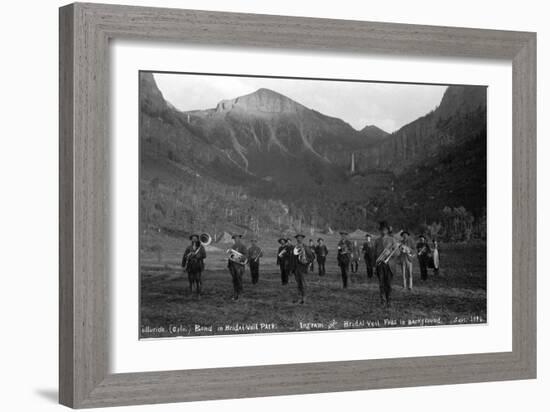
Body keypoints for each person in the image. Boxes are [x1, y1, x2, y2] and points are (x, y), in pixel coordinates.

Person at [374, 221, 397, 306]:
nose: (383, 231)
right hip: (380, 265)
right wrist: (374, 265)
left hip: (389, 265)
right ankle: (383, 301)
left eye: (384, 229)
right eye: (381, 230)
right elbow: (374, 254)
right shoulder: (377, 241)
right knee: (381, 284)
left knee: (389, 284)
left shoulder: (392, 240)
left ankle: (389, 300)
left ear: (387, 230)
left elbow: (397, 252)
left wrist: (390, 253)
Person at [289, 234, 315, 304]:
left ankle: (304, 298)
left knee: (303, 283)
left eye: (300, 238)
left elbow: (312, 257)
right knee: (298, 284)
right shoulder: (294, 248)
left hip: (303, 268)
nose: (299, 239)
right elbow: (292, 259)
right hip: (296, 269)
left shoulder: (306, 247)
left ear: (302, 239)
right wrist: (291, 270)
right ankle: (299, 297)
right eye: (297, 238)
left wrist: (307, 261)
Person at [227, 234, 248, 300]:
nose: (236, 239)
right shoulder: (233, 246)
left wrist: (240, 258)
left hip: (239, 266)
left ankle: (239, 293)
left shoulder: (243, 246)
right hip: (233, 266)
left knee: (239, 279)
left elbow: (246, 255)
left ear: (239, 239)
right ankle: (235, 293)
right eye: (235, 239)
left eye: (237, 238)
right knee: (234, 280)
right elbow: (231, 256)